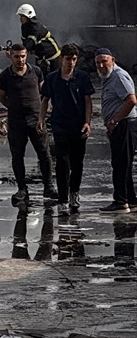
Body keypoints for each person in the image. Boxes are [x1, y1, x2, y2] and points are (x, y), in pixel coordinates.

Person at [0, 44, 54, 208]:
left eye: (23, 56)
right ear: (10, 57)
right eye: (16, 56)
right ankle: (22, 189)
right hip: (16, 121)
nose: (20, 59)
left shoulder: (36, 71)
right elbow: (1, 97)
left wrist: (42, 114)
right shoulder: (4, 76)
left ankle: (48, 187)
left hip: (36, 120)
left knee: (44, 154)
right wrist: (14, 107)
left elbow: (44, 93)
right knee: (17, 156)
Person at [39, 44, 93, 214]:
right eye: (68, 59)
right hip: (60, 125)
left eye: (74, 59)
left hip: (78, 126)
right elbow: (45, 100)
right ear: (62, 58)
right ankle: (62, 200)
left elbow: (87, 102)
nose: (71, 62)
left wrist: (87, 122)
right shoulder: (52, 78)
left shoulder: (82, 78)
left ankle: (74, 194)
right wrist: (41, 119)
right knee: (62, 163)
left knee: (77, 163)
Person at [95, 48, 137, 214]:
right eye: (98, 63)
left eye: (104, 61)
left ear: (112, 60)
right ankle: (131, 199)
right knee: (122, 163)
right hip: (119, 125)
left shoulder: (118, 76)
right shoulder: (108, 78)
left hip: (125, 124)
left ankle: (120, 201)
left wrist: (114, 120)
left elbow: (131, 100)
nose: (101, 65)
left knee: (120, 164)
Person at [16, 4, 60, 76]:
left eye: (22, 16)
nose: (20, 18)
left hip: (52, 57)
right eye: (20, 16)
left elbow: (28, 45)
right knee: (41, 78)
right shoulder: (24, 27)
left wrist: (15, 50)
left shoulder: (36, 28)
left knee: (54, 79)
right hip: (40, 57)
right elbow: (25, 43)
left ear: (28, 16)